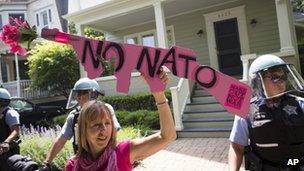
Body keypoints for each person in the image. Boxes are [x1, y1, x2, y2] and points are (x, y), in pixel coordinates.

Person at [64, 68, 176, 171]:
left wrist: (159, 94)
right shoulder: (73, 166)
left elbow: (167, 136)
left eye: (107, 123)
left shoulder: (124, 152)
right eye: (96, 124)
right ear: (84, 130)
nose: (103, 129)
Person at [228, 54, 304, 171]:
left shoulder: (300, 105)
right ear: (258, 81)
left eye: (283, 76)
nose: (281, 81)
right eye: (274, 77)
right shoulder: (246, 112)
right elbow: (237, 147)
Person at [43, 78, 121, 168]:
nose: (78, 97)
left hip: (106, 161)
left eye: (83, 93)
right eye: (77, 93)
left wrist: (115, 156)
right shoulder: (74, 116)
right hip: (83, 164)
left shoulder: (105, 110)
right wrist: (47, 163)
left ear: (93, 94)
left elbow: (114, 134)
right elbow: (61, 139)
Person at [0, 88, 21, 171]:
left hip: (9, 152)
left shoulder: (10, 113)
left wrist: (6, 142)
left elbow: (15, 130)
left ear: (2, 101)